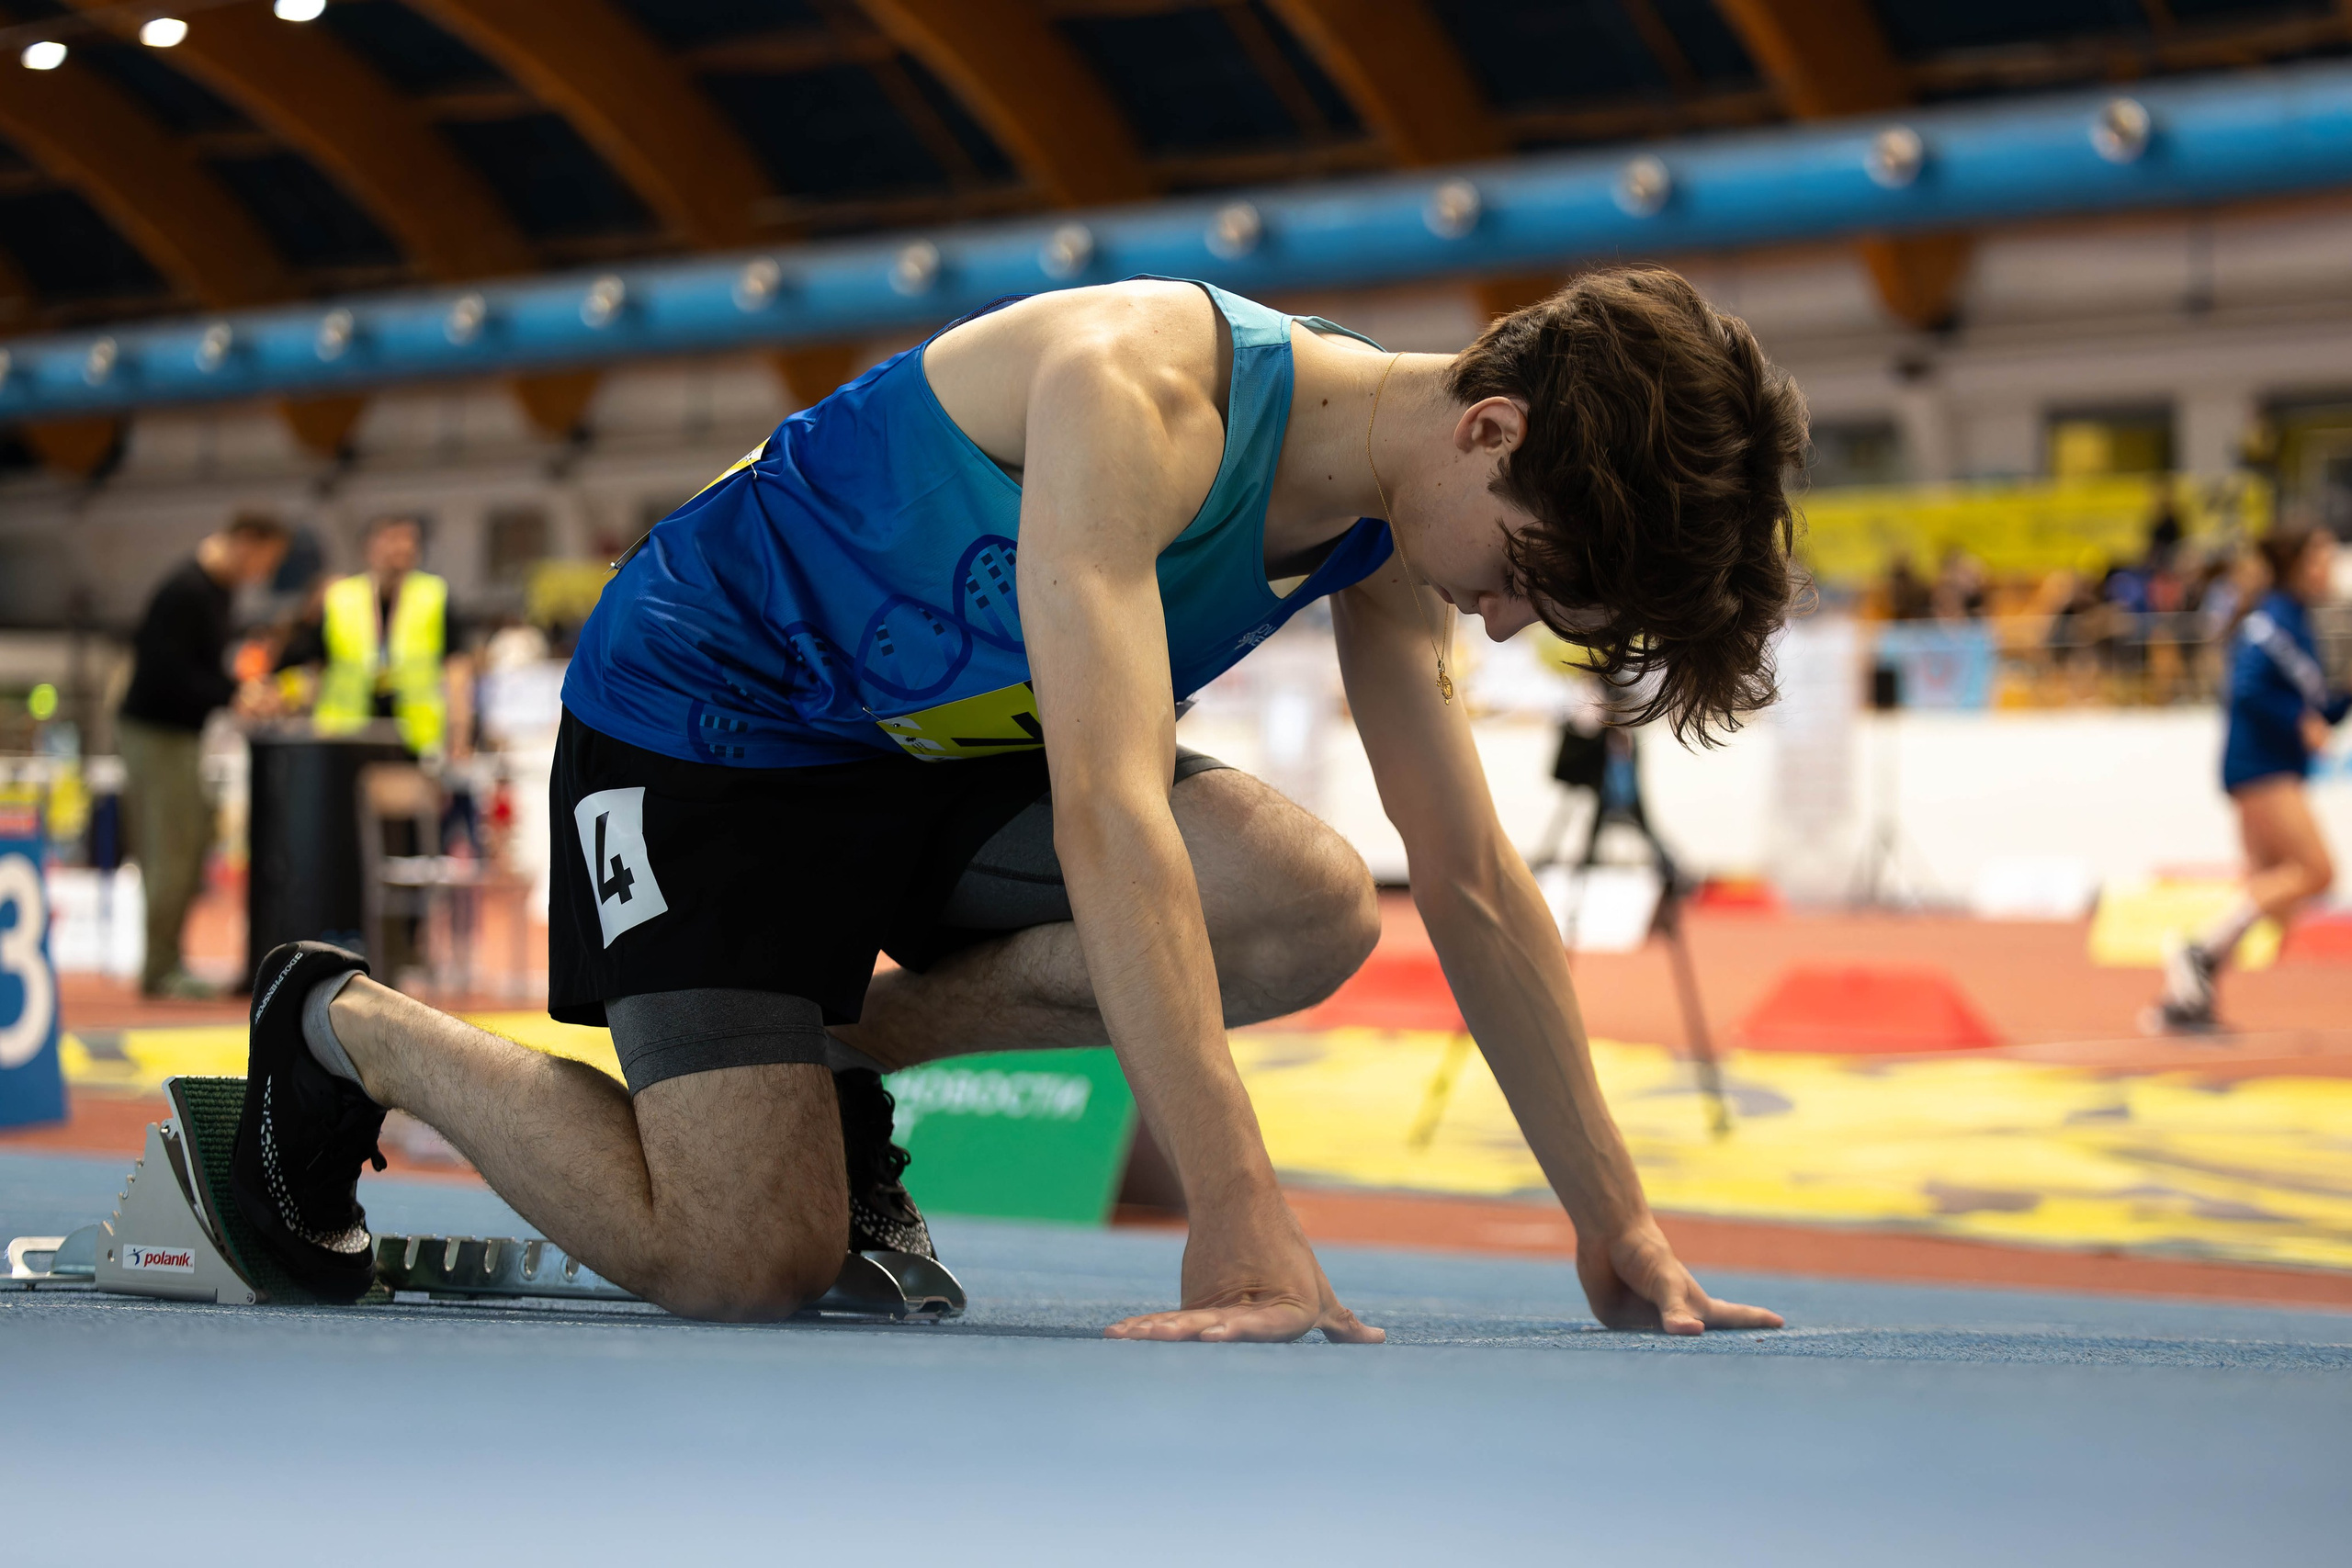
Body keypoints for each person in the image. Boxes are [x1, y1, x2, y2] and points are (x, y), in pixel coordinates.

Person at [231, 269, 1804, 1342]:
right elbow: (1111, 816)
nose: (1512, 621)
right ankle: (345, 1021)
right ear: (1492, 427)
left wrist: (1618, 1222)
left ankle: (843, 1050)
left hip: (942, 755)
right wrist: (1239, 1214)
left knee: (1312, 898)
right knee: (740, 1263)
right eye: (1530, 569)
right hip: (710, 731)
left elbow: (1466, 879)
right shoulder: (1143, 390)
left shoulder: (1398, 522)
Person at [2154, 525, 2346, 1032]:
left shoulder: (2295, 621)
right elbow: (2248, 688)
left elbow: (2318, 709)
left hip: (2272, 764)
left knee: (2267, 893)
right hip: (2259, 765)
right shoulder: (2273, 621)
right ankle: (2196, 951)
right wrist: (2298, 720)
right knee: (2317, 870)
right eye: (2323, 556)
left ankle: (2191, 989)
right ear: (2299, 564)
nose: (2331, 568)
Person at [116, 513, 289, 998]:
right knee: (172, 846)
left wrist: (236, 692)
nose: (263, 574)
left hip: (181, 733)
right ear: (245, 541)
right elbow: (168, 672)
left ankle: (168, 959)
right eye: (265, 560)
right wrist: (234, 694)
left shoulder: (216, 592)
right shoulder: (186, 590)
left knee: (190, 843)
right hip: (156, 732)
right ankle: (159, 967)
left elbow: (197, 672)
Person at [285, 513, 473, 760]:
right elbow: (312, 666)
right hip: (346, 733)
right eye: (392, 539)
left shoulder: (434, 596)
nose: (401, 548)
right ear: (370, 547)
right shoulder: (339, 598)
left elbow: (457, 669)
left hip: (414, 736)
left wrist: (460, 733)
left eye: (409, 541)